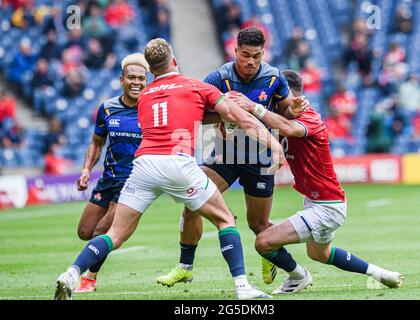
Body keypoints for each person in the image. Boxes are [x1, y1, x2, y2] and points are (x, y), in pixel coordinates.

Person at [54, 38, 284, 300]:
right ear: (174, 61)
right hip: (178, 162)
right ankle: (243, 287)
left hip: (143, 165)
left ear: (151, 71)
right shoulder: (195, 86)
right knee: (224, 219)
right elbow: (238, 117)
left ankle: (72, 273)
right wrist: (273, 144)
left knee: (115, 233)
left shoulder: (145, 96)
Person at [156, 28, 309, 288]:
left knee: (258, 224)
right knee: (194, 200)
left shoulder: (274, 78)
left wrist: (293, 110)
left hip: (259, 158)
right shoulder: (218, 78)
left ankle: (276, 257)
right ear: (235, 50)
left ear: (263, 54)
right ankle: (185, 266)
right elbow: (199, 115)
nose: (251, 61)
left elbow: (286, 115)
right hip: (226, 154)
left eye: (257, 56)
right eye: (246, 55)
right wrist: (226, 112)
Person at [229, 70, 404, 294]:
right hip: (316, 202)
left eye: (277, 95)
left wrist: (254, 107)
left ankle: (298, 277)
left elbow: (289, 129)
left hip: (326, 207)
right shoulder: (283, 116)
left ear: (289, 95)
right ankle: (381, 274)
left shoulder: (308, 116)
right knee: (319, 254)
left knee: (263, 242)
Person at [73, 53, 149, 293]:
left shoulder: (151, 111)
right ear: (121, 80)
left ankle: (89, 279)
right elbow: (96, 142)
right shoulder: (107, 108)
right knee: (84, 232)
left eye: (141, 78)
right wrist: (86, 169)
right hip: (107, 180)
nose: (136, 82)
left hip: (133, 183)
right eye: (131, 77)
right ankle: (115, 238)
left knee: (100, 231)